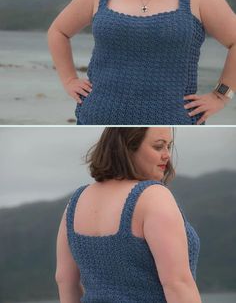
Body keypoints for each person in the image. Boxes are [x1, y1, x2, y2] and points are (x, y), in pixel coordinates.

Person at [48, 0, 236, 125]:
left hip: (173, 121)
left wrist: (220, 96)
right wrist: (69, 80)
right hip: (96, 119)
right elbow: (58, 32)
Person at [55, 127, 202, 303]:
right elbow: (178, 284)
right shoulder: (153, 196)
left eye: (169, 147)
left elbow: (65, 280)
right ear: (128, 147)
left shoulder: (76, 202)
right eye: (158, 147)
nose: (167, 155)